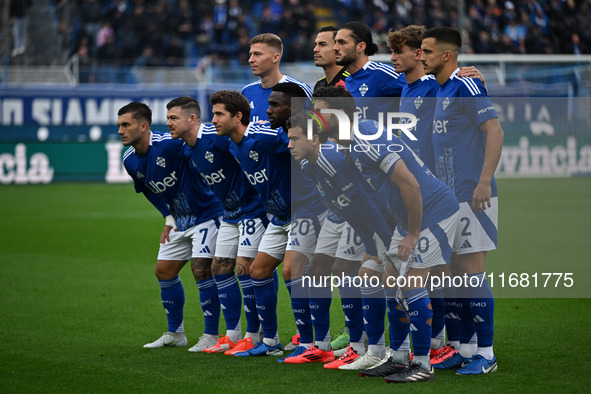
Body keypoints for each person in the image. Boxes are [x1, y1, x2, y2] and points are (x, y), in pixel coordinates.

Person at [304, 86, 460, 383]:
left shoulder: (365, 139)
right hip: (407, 217)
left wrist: (412, 234)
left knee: (412, 283)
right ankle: (399, 358)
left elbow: (410, 185)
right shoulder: (348, 144)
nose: (316, 117)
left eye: (321, 111)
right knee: (388, 278)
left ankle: (424, 364)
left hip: (434, 212)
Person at [420, 26, 504, 375]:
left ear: (446, 55)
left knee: (471, 273)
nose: (421, 55)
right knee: (453, 273)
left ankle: (487, 354)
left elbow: (495, 131)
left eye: (426, 51)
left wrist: (484, 182)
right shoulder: (439, 90)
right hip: (447, 199)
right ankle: (465, 348)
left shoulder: (466, 85)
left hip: (473, 196)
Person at [165, 96, 269, 355]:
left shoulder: (218, 138)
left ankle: (257, 335)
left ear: (191, 119)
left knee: (246, 270)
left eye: (173, 118)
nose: (168, 123)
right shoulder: (188, 150)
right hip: (229, 214)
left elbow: (249, 153)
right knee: (219, 267)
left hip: (251, 210)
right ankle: (232, 335)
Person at [117, 102, 224, 350]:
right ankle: (176, 334)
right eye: (119, 125)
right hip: (179, 220)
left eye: (126, 125)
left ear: (143, 126)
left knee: (201, 270)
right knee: (164, 271)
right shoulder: (130, 160)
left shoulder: (170, 144)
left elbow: (200, 153)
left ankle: (211, 336)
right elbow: (149, 191)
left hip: (207, 214)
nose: (120, 131)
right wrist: (168, 217)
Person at [209, 90, 291, 357]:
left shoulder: (263, 135)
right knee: (258, 271)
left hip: (303, 212)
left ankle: (316, 342)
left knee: (293, 273)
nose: (214, 120)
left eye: (219, 114)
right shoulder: (233, 145)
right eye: (213, 114)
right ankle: (270, 342)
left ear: (238, 116)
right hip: (277, 215)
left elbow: (296, 146)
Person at [262, 82, 329, 364]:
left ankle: (319, 341)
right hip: (299, 211)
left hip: (320, 209)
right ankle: (309, 340)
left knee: (304, 271)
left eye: (276, 105)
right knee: (291, 271)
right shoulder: (285, 134)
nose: (268, 110)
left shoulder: (313, 131)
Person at [333, 21, 406, 121]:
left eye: (342, 42)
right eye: (335, 42)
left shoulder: (382, 74)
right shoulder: (348, 80)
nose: (335, 47)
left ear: (361, 46)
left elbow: (419, 91)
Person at [241, 33, 312, 122]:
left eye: (257, 54)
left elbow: (311, 130)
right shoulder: (246, 91)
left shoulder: (299, 90)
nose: (250, 60)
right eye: (250, 54)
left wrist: (269, 130)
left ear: (275, 57)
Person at [312, 26, 350, 92]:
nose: (315, 49)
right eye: (316, 44)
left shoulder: (351, 82)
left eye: (322, 44)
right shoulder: (319, 85)